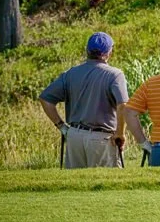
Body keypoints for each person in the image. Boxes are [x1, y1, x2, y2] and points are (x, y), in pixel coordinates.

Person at [39, 32, 129, 169]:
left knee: (74, 185)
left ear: (87, 50)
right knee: (106, 186)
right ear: (109, 52)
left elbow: (45, 99)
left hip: (74, 136)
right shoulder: (115, 75)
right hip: (102, 139)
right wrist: (120, 133)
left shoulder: (71, 73)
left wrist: (62, 127)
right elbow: (122, 105)